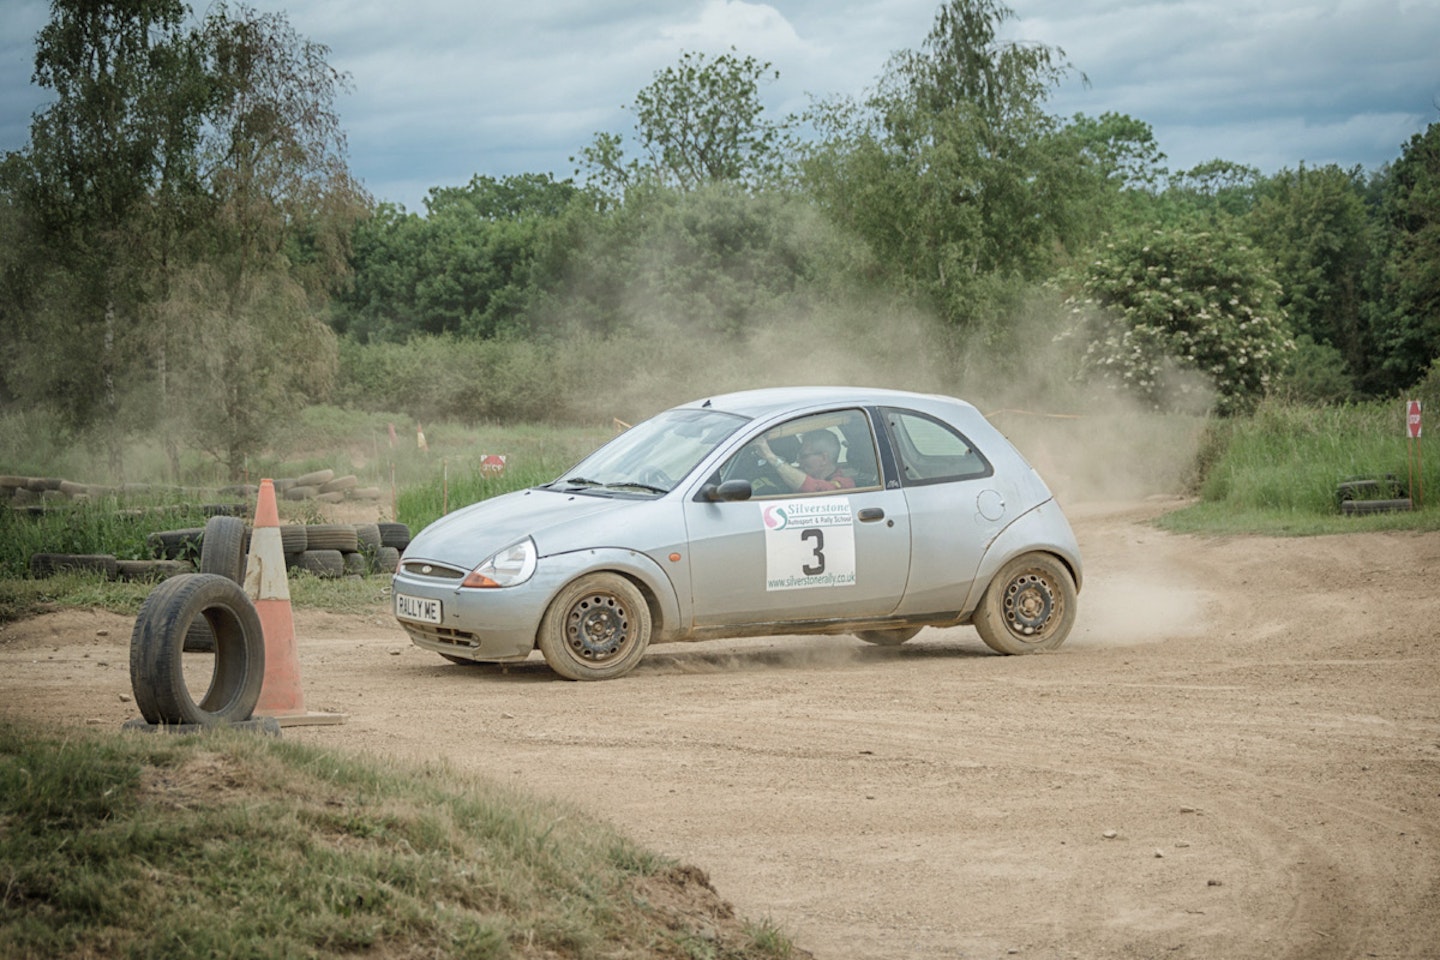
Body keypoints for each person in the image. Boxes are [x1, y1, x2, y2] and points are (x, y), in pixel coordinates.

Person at [756, 431, 855, 493]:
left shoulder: (845, 484)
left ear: (824, 458)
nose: (798, 460)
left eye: (804, 456)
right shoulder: (803, 474)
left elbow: (815, 488)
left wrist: (771, 457)